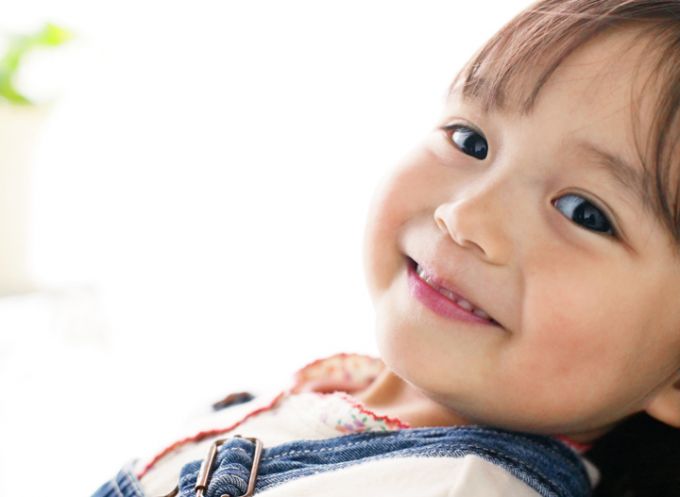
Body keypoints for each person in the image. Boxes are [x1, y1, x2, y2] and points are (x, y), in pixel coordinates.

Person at [91, 1, 680, 496]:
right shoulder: (345, 405)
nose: (464, 216)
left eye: (584, 213)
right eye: (470, 140)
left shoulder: (459, 486)